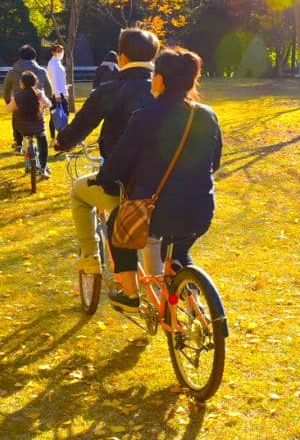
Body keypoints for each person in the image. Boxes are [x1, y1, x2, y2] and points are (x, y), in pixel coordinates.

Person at [92, 48, 222, 311]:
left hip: (156, 212)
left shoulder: (146, 116)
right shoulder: (206, 115)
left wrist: (103, 178)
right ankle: (195, 307)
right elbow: (215, 162)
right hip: (201, 209)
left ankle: (129, 295)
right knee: (179, 251)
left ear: (160, 80)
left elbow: (120, 161)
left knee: (118, 227)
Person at [53, 27, 161, 276]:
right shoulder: (164, 91)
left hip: (124, 182)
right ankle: (158, 286)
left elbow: (80, 126)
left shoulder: (109, 91)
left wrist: (63, 142)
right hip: (165, 181)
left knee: (79, 193)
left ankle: (90, 256)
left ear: (122, 58)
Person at [3, 45, 53, 152]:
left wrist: (8, 101)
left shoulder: (12, 72)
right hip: (37, 105)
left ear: (20, 57)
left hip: (19, 104)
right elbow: (49, 89)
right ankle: (42, 160)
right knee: (40, 130)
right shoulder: (41, 71)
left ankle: (18, 143)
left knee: (17, 119)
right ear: (34, 57)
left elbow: (6, 91)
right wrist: (47, 101)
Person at [6, 71, 52, 180]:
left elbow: (8, 109)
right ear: (35, 82)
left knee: (26, 141)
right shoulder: (39, 94)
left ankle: (26, 160)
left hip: (23, 128)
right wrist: (43, 106)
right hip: (39, 128)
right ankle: (43, 168)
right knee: (43, 144)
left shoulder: (17, 96)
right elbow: (49, 104)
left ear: (22, 83)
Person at [47, 44, 71, 137]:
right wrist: (56, 94)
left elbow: (60, 79)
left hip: (61, 92)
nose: (60, 53)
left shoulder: (58, 63)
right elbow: (54, 80)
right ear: (53, 52)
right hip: (57, 94)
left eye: (61, 51)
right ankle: (54, 138)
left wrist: (65, 88)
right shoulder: (53, 63)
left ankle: (60, 135)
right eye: (58, 51)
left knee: (62, 114)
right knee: (55, 115)